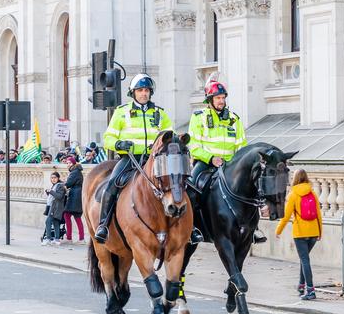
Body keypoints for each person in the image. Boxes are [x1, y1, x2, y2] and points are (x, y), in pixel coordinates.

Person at [94, 73, 173, 243]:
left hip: (155, 160)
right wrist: (119, 145)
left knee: (179, 184)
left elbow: (170, 137)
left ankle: (189, 227)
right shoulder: (121, 112)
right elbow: (108, 139)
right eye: (140, 90)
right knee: (112, 184)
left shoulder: (160, 114)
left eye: (146, 90)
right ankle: (103, 225)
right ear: (133, 93)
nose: (144, 93)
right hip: (130, 158)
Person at [188, 79, 255, 243]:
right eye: (218, 98)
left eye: (223, 97)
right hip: (205, 163)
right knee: (190, 189)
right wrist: (211, 158)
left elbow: (242, 146)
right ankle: (191, 228)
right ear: (210, 100)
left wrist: (239, 163)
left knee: (250, 188)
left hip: (230, 165)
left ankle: (253, 229)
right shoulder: (199, 118)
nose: (221, 101)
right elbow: (193, 145)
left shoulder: (234, 119)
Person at [275, 169, 322, 301]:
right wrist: (320, 232)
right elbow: (318, 215)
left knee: (305, 260)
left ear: (294, 178)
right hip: (313, 232)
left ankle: (311, 290)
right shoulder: (312, 192)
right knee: (304, 259)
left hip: (300, 232)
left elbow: (286, 216)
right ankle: (301, 286)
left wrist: (278, 230)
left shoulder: (293, 194)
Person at [64, 156, 85, 243]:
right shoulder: (77, 171)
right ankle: (81, 238)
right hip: (77, 195)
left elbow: (68, 183)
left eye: (69, 163)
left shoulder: (74, 172)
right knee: (77, 217)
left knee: (67, 215)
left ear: (73, 163)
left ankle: (69, 238)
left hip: (74, 196)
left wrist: (62, 184)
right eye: (67, 163)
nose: (68, 165)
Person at [42, 172, 67, 245]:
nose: (53, 179)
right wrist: (49, 192)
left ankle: (48, 239)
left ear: (58, 178)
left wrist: (51, 191)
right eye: (52, 178)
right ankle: (57, 239)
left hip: (56, 207)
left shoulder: (60, 186)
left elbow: (59, 196)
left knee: (48, 221)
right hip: (55, 206)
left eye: (55, 178)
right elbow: (54, 196)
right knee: (56, 222)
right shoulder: (55, 185)